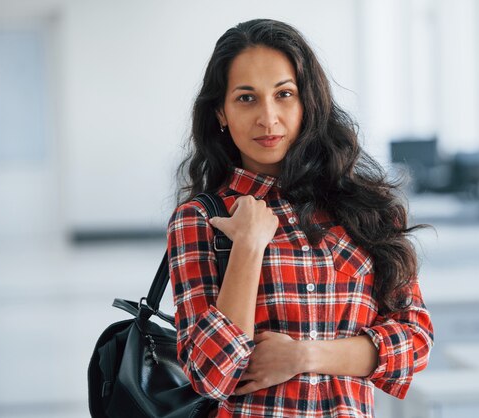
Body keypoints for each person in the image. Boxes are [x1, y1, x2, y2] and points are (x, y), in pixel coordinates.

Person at [167, 18, 433, 418]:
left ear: (308, 101)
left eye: (284, 94)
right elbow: (211, 375)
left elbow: (414, 343)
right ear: (220, 112)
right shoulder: (201, 219)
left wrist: (304, 356)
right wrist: (248, 246)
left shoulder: (368, 209)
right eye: (246, 98)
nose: (268, 117)